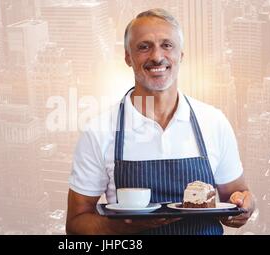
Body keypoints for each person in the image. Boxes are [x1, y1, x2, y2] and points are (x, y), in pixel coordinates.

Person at [66, 8, 255, 235]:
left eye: (167, 45)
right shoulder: (99, 131)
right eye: (144, 47)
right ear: (128, 57)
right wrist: (121, 227)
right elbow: (76, 224)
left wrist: (245, 205)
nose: (157, 56)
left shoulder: (213, 122)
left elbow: (237, 196)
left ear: (181, 54)